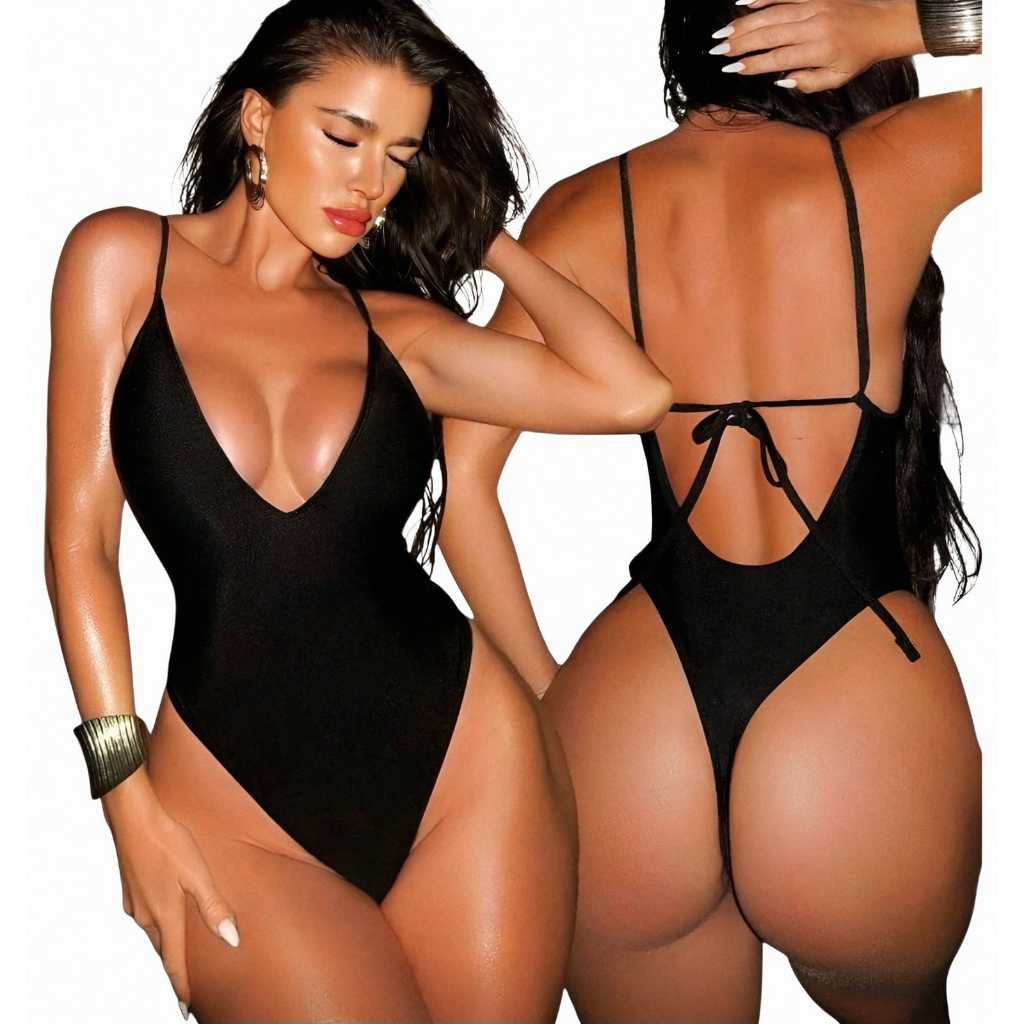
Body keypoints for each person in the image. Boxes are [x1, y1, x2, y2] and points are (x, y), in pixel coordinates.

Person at [44, 2, 674, 1021]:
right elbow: (81, 543)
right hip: (232, 800)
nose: (369, 183)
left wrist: (490, 243)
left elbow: (632, 394)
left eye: (400, 156)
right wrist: (125, 798)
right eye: (344, 137)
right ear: (258, 119)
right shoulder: (121, 262)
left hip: (465, 765)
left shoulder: (397, 335)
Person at [439, 1, 982, 1020]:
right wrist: (910, 26)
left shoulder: (584, 206)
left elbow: (462, 483)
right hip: (851, 703)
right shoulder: (894, 165)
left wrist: (557, 704)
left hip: (633, 722)